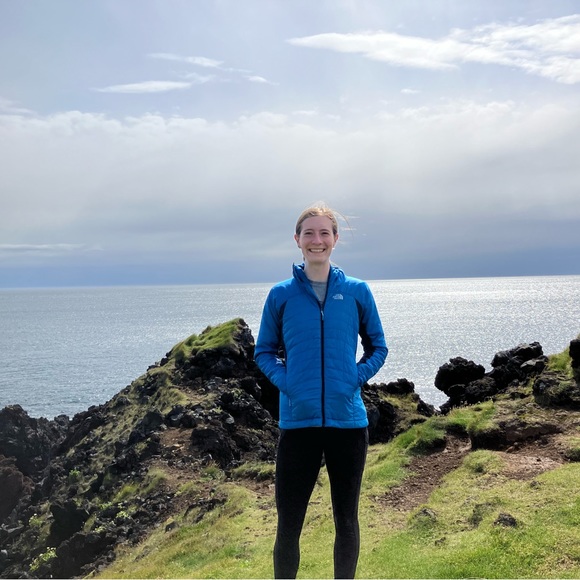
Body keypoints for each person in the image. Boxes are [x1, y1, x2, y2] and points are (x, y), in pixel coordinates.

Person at [255, 203, 387, 579]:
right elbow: (264, 352)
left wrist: (353, 378)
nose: (317, 240)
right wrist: (290, 384)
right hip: (299, 425)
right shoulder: (281, 295)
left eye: (324, 233)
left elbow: (378, 347)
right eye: (309, 233)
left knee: (346, 521)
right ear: (297, 240)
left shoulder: (357, 291)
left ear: (335, 239)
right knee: (288, 526)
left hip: (348, 424)